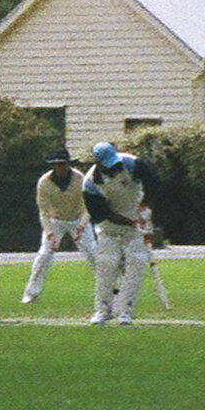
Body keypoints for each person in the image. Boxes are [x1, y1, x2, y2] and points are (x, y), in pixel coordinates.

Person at [79, 140, 158, 326]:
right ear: (97, 163)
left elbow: (154, 185)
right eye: (108, 167)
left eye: (114, 165)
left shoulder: (133, 164)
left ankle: (125, 311)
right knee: (107, 265)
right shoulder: (90, 184)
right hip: (109, 227)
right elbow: (102, 214)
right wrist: (130, 222)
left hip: (136, 222)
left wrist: (145, 208)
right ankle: (102, 310)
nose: (113, 169)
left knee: (136, 263)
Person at [20, 159, 89, 305]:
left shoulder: (80, 178)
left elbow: (87, 206)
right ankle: (30, 294)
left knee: (93, 254)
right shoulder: (44, 182)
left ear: (68, 164)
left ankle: (109, 291)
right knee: (44, 255)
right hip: (55, 221)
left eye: (63, 164)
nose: (60, 167)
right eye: (57, 164)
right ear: (53, 166)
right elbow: (43, 212)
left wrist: (82, 225)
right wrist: (49, 233)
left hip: (77, 220)